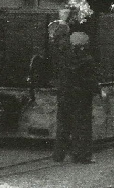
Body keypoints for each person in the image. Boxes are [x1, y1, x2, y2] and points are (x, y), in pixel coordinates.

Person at [50, 11, 94, 164]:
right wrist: (98, 90)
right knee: (81, 127)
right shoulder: (87, 60)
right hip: (81, 98)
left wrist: (62, 21)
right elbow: (91, 81)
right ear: (83, 46)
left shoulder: (64, 55)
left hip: (64, 94)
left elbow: (59, 41)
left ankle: (58, 156)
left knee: (62, 125)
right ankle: (81, 156)